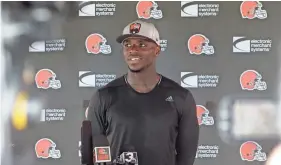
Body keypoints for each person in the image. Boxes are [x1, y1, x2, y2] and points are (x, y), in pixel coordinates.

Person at [87, 19, 199, 165]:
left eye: (142, 44)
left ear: (157, 50)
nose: (133, 49)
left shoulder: (181, 98)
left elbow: (186, 158)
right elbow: (93, 153)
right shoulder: (103, 97)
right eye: (127, 44)